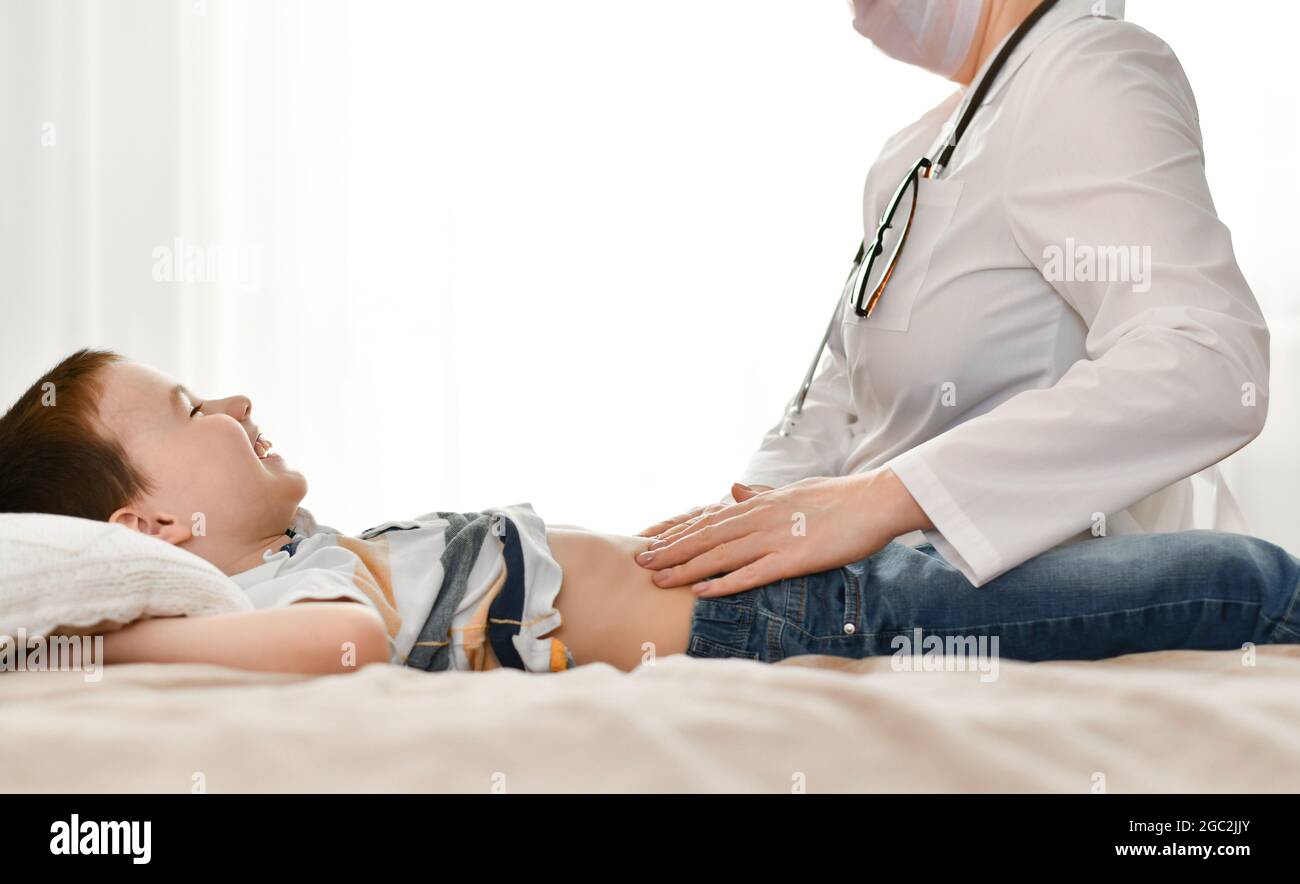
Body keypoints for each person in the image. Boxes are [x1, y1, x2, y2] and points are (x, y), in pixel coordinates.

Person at [0, 349, 1297, 675]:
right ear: (152, 533)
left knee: (1103, 560)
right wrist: (96, 644)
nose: (228, 395)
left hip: (790, 585)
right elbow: (328, 650)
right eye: (184, 406)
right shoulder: (268, 601)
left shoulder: (293, 552)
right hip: (791, 622)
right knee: (1211, 578)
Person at [633, 0, 1279, 625]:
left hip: (994, 597)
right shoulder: (914, 153)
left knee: (557, 578)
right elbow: (839, 401)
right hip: (864, 589)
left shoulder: (1088, 71)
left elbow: (1207, 359)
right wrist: (728, 527)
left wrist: (882, 499)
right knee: (585, 574)